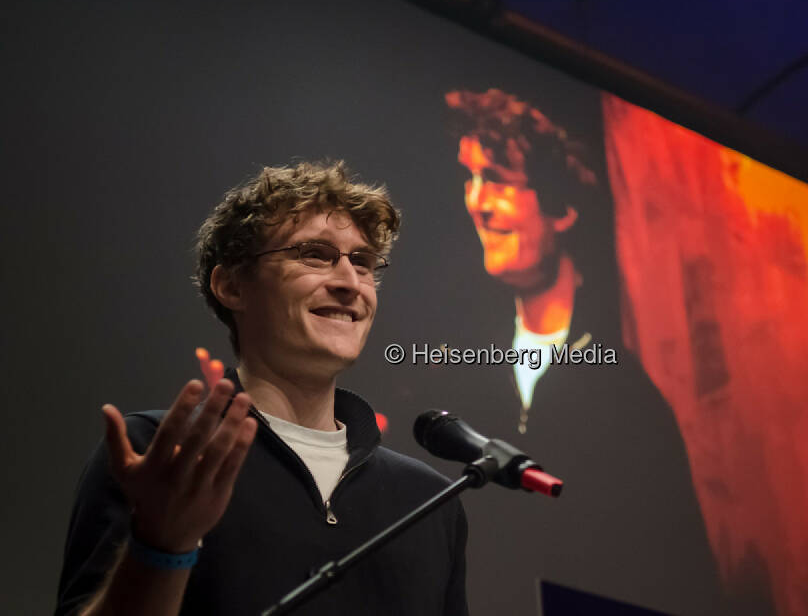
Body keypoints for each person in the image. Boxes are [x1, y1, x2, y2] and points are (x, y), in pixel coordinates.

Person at [56, 162, 469, 616]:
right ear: (232, 286)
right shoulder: (158, 454)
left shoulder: (430, 501)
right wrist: (162, 545)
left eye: (364, 263)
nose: (350, 283)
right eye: (315, 254)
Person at [442, 89, 739, 616]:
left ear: (563, 209)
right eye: (471, 178)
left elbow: (677, 577)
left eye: (500, 182)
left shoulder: (626, 396)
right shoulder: (460, 379)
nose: (477, 202)